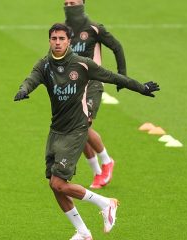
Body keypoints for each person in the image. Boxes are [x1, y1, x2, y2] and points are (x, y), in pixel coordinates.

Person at [14, 23, 159, 240]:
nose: (57, 42)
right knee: (55, 186)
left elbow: (112, 76)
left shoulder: (82, 64)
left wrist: (141, 88)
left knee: (58, 183)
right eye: (53, 38)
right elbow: (31, 79)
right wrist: (23, 90)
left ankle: (106, 203)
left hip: (76, 129)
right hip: (56, 130)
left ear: (69, 41)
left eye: (61, 38)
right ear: (49, 40)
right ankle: (83, 232)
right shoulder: (45, 65)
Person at [64, 0, 126, 189]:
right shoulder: (63, 31)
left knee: (82, 123)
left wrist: (122, 75)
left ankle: (106, 161)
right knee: (76, 129)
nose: (69, 5)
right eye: (66, 2)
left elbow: (117, 47)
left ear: (82, 3)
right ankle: (98, 172)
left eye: (72, 2)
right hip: (72, 87)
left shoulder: (94, 28)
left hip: (92, 84)